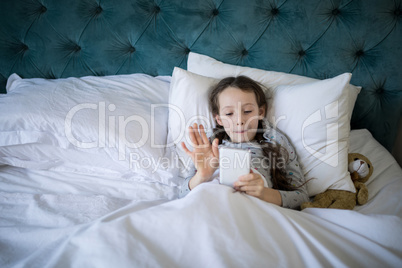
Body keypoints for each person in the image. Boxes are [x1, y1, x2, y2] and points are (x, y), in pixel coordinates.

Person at [179, 76, 309, 210]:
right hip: (209, 204)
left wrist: (264, 193)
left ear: (261, 112)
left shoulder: (276, 141)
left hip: (251, 209)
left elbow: (301, 197)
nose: (239, 120)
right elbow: (181, 195)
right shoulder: (209, 144)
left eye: (247, 111)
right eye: (229, 113)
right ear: (219, 119)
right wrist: (201, 176)